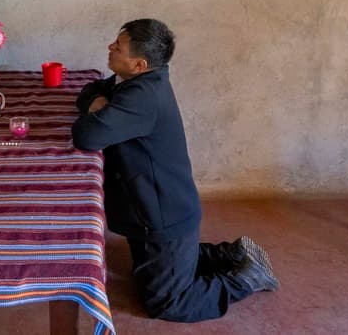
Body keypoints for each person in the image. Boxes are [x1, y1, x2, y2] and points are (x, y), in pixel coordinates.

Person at [72, 19, 279, 322]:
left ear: (140, 64)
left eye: (118, 46)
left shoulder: (143, 98)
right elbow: (90, 89)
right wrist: (98, 103)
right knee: (153, 265)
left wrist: (99, 110)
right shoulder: (133, 80)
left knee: (166, 302)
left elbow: (86, 136)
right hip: (151, 209)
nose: (110, 47)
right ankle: (229, 254)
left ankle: (246, 277)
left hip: (163, 217)